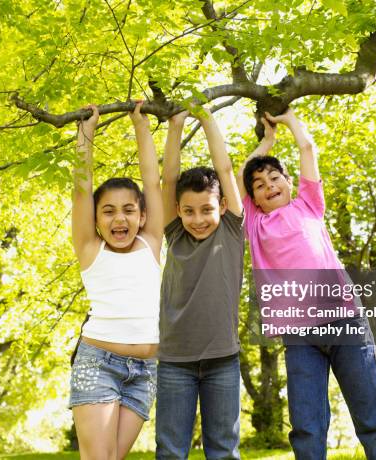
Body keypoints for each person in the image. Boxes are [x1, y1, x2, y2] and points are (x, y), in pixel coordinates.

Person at [237, 108, 376, 460]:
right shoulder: (254, 223)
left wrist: (289, 119)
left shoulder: (308, 205)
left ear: (288, 180)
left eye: (275, 178)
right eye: (260, 186)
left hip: (346, 323)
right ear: (254, 198)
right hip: (300, 337)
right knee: (307, 428)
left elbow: (308, 148)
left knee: (373, 421)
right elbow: (239, 176)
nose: (269, 187)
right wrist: (266, 142)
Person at [69, 102, 163, 460]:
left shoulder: (150, 242)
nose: (118, 218)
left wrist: (141, 125)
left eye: (128, 210)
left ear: (142, 216)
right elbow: (81, 189)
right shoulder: (90, 248)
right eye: (108, 211)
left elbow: (151, 180)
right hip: (98, 363)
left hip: (145, 372)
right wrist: (85, 132)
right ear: (95, 219)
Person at [155, 108, 244, 459]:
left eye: (206, 209)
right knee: (171, 450)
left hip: (223, 357)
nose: (198, 219)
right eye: (188, 210)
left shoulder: (232, 228)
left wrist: (206, 119)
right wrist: (176, 126)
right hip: (175, 359)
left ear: (222, 205)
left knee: (223, 449)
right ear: (178, 209)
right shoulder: (174, 231)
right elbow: (168, 178)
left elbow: (223, 169)